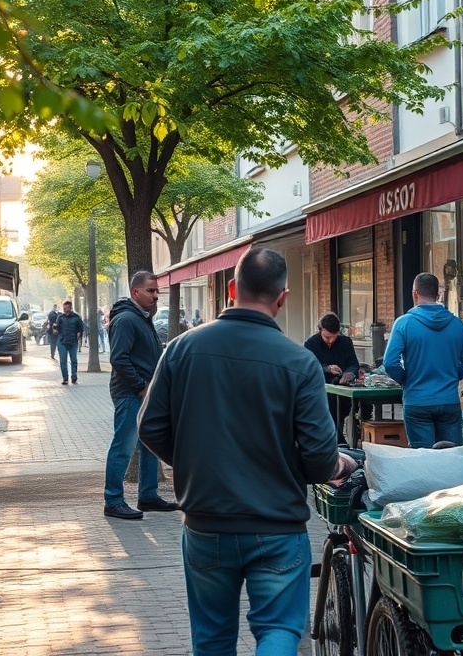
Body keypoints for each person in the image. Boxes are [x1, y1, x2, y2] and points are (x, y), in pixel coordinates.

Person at [139, 247, 358, 656]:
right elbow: (317, 456)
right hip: (276, 524)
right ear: (283, 297)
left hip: (205, 522)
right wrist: (340, 462)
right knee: (278, 631)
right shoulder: (300, 362)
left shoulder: (181, 350)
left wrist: (193, 460)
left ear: (232, 288)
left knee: (212, 640)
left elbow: (150, 426)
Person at [103, 271, 178, 520]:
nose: (156, 296)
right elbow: (119, 359)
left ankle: (148, 495)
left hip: (144, 393)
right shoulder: (126, 319)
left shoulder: (140, 318)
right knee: (123, 447)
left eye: (157, 291)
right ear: (135, 292)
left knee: (148, 446)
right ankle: (113, 501)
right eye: (151, 291)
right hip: (131, 394)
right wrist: (140, 386)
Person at [383, 272, 463, 448]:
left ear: (415, 293)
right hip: (448, 400)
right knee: (451, 458)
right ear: (438, 294)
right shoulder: (457, 324)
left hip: (417, 401)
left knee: (423, 460)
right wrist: (450, 375)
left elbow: (390, 363)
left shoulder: (403, 323)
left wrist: (406, 379)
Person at [303, 312, 362, 445]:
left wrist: (349, 374)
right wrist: (327, 368)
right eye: (327, 337)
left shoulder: (345, 342)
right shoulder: (311, 343)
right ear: (320, 331)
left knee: (357, 409)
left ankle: (346, 441)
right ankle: (339, 443)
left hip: (343, 389)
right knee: (330, 415)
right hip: (321, 390)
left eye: (334, 337)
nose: (330, 340)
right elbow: (309, 367)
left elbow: (353, 364)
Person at [54, 300, 85, 385]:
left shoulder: (77, 318)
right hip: (62, 341)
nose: (65, 310)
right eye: (64, 308)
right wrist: (55, 329)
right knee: (63, 361)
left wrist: (79, 337)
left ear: (70, 308)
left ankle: (74, 377)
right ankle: (65, 378)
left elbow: (80, 330)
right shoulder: (60, 317)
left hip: (73, 341)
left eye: (66, 308)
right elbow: (57, 329)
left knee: (73, 360)